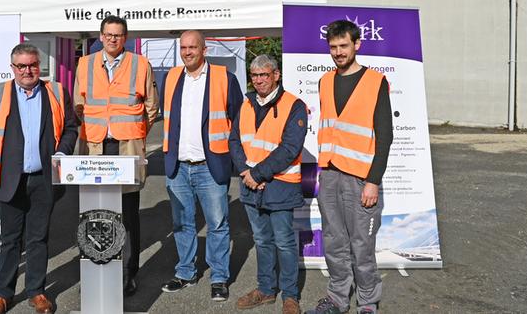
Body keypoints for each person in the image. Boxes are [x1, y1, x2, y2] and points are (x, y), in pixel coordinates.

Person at [0, 43, 78, 314]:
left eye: (32, 64)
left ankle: (36, 292)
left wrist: (61, 152)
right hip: (9, 181)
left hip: (43, 179)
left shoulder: (55, 91)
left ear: (39, 66)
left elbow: (70, 128)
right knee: (9, 239)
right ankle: (3, 294)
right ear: (13, 68)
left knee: (38, 238)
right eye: (22, 66)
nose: (28, 70)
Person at [306, 20, 393, 314]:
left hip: (360, 178)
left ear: (357, 45)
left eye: (344, 46)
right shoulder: (325, 81)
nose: (338, 52)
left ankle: (367, 301)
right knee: (334, 241)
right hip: (329, 174)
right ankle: (337, 297)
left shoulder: (375, 82)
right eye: (333, 47)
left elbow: (385, 136)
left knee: (362, 245)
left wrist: (373, 181)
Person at [73, 16, 159, 297]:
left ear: (126, 37)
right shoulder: (85, 64)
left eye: (118, 35)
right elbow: (79, 106)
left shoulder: (140, 64)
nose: (112, 39)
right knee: (95, 211)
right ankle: (98, 265)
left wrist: (135, 135)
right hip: (95, 148)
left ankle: (127, 274)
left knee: (128, 214)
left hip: (126, 148)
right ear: (100, 36)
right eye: (108, 34)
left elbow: (151, 109)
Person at [159, 31, 243, 302]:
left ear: (204, 49)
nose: (187, 52)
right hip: (178, 164)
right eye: (183, 47)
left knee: (217, 224)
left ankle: (219, 277)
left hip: (211, 164)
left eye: (192, 47)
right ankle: (185, 272)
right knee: (182, 223)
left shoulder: (224, 78)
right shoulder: (171, 77)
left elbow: (238, 120)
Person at [229, 55, 307, 314]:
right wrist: (245, 171)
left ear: (276, 75)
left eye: (265, 74)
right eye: (255, 75)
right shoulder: (247, 103)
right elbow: (234, 141)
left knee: (284, 241)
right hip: (250, 184)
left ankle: (290, 296)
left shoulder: (294, 106)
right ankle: (265, 290)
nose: (259, 80)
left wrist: (257, 174)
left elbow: (290, 148)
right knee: (262, 240)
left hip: (279, 185)